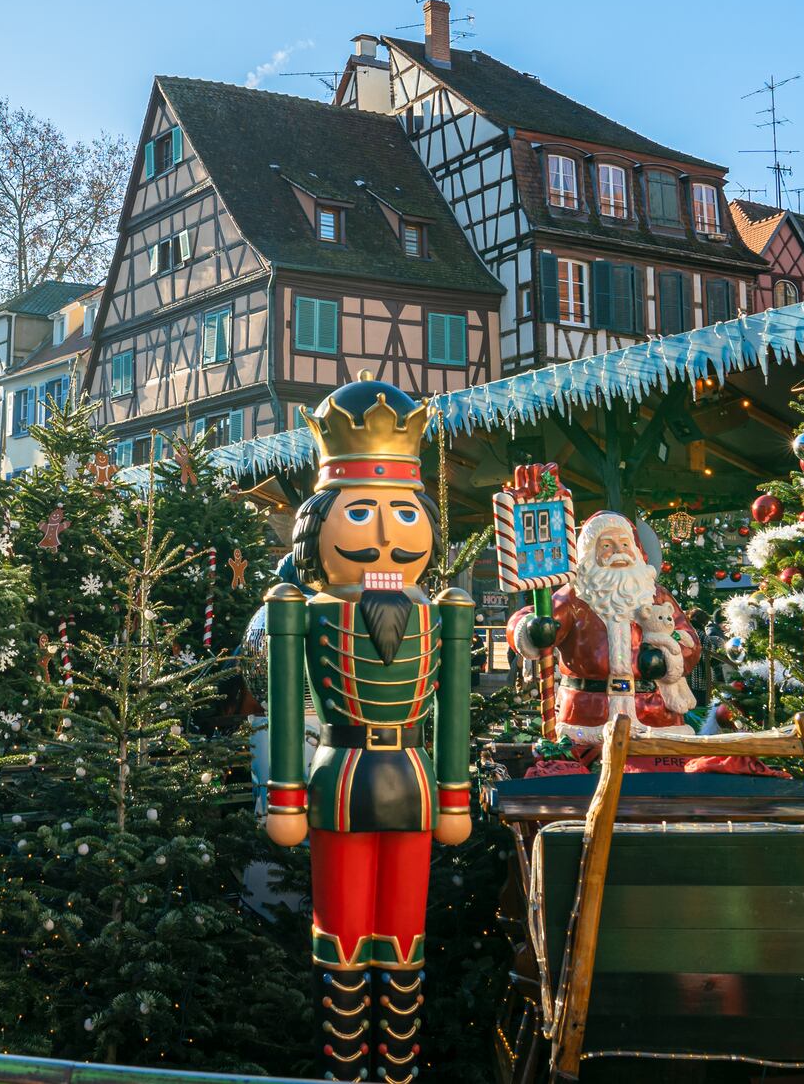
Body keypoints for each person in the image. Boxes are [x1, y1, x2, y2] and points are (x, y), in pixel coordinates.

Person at [259, 374, 474, 1084]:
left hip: (412, 781)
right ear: (316, 525)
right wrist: (284, 796)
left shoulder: (440, 612)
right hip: (340, 777)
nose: (384, 534)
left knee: (404, 931)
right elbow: (289, 704)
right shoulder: (305, 609)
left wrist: (453, 795)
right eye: (361, 514)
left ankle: (400, 1064)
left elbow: (453, 710)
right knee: (344, 927)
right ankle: (346, 1063)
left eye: (402, 515)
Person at [509, 509, 701, 746]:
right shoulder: (575, 597)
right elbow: (535, 616)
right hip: (587, 716)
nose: (619, 552)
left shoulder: (655, 596)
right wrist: (531, 628)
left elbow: (689, 639)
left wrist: (667, 657)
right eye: (607, 546)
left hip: (654, 714)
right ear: (590, 554)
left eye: (624, 543)